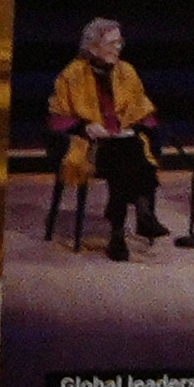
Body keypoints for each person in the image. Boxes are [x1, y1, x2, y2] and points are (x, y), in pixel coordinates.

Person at [46, 16, 164, 259]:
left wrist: (139, 123)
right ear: (92, 47)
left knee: (127, 148)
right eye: (111, 43)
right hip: (87, 147)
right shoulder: (72, 75)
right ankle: (141, 210)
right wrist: (84, 126)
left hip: (121, 147)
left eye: (120, 42)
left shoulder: (127, 71)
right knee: (127, 153)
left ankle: (118, 235)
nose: (118, 48)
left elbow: (144, 110)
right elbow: (57, 118)